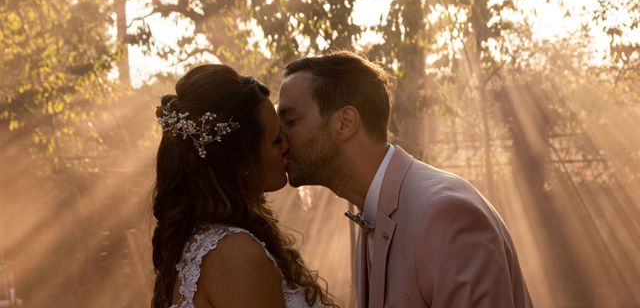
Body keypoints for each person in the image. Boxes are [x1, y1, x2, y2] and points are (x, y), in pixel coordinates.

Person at [277, 51, 534, 308]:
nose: (280, 139)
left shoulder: (445, 215)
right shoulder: (373, 214)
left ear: (345, 123)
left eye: (291, 121)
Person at [151, 64, 336, 308]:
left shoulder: (204, 242)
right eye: (275, 140)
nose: (286, 147)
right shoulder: (234, 253)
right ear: (240, 159)